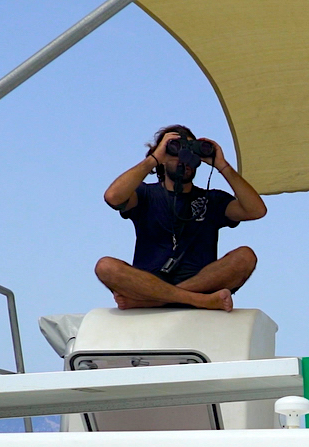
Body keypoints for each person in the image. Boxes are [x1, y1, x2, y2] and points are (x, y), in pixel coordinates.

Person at [96, 125, 268, 311]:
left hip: (198, 281)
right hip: (148, 280)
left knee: (245, 256)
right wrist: (155, 158)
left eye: (189, 154)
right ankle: (196, 300)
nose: (183, 160)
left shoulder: (212, 199)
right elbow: (113, 197)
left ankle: (157, 300)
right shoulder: (145, 194)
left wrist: (222, 165)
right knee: (105, 266)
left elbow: (256, 210)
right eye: (175, 151)